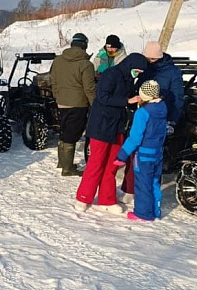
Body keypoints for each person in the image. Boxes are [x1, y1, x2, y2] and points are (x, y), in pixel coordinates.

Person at [75, 53, 148, 213]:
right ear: (130, 66)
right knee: (96, 163)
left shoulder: (128, 79)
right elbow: (102, 97)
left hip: (117, 127)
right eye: (137, 71)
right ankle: (83, 197)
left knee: (112, 164)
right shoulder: (111, 74)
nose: (138, 74)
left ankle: (107, 199)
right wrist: (126, 101)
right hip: (101, 126)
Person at [120, 41, 186, 200]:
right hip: (141, 111)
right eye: (147, 58)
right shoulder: (145, 68)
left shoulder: (172, 72)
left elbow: (177, 97)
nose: (148, 61)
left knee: (152, 156)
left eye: (152, 59)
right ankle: (130, 189)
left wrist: (172, 121)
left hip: (160, 116)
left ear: (159, 57)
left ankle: (149, 193)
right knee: (135, 149)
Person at [113, 80, 168, 222]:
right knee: (155, 182)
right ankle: (156, 210)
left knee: (143, 184)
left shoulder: (142, 112)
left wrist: (122, 155)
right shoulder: (162, 107)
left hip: (144, 154)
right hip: (157, 152)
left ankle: (143, 214)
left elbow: (135, 137)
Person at [50, 32, 96, 176]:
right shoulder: (86, 64)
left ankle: (62, 162)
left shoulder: (58, 60)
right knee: (72, 134)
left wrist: (58, 96)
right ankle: (68, 168)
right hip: (78, 103)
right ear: (84, 45)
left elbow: (53, 81)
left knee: (64, 130)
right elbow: (89, 87)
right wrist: (94, 104)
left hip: (62, 101)